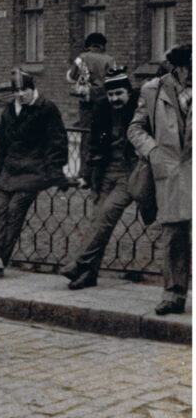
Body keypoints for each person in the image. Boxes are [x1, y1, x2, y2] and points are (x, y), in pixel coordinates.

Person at [0, 69, 68, 278]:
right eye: (17, 90)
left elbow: (57, 142)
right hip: (10, 169)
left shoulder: (46, 109)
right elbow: (2, 146)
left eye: (25, 89)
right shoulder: (9, 111)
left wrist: (56, 172)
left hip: (33, 169)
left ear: (33, 89)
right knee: (0, 212)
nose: (21, 94)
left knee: (14, 211)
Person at [128, 43, 191, 316]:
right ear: (178, 68)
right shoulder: (153, 90)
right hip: (170, 171)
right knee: (174, 234)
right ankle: (173, 294)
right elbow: (135, 128)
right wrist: (152, 151)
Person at [61, 67, 138, 289]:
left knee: (106, 216)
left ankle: (79, 262)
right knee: (98, 222)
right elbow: (93, 145)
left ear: (128, 92)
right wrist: (87, 173)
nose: (115, 99)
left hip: (129, 173)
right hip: (105, 173)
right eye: (111, 94)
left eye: (119, 94)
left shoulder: (138, 110)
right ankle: (88, 275)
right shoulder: (102, 110)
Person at [67, 32, 115, 172]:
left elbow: (71, 76)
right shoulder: (110, 60)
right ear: (102, 45)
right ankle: (100, 170)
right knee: (103, 134)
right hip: (105, 102)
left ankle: (84, 171)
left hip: (86, 103)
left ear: (89, 45)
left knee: (86, 135)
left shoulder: (81, 58)